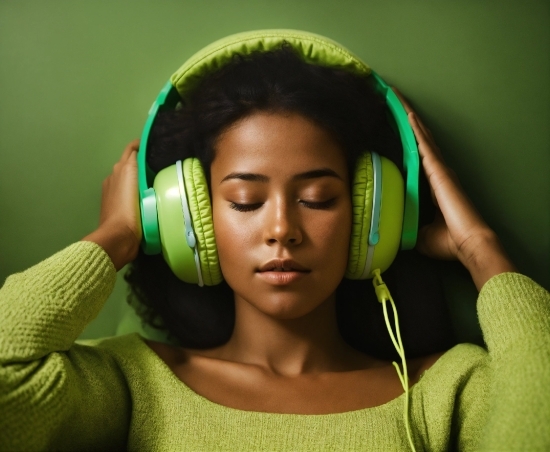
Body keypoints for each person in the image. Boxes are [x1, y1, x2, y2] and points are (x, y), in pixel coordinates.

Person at [1, 34, 549, 452]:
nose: (282, 228)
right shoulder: (134, 382)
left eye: (317, 197)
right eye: (244, 201)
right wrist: (118, 235)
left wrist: (480, 248)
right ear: (187, 218)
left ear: (370, 216)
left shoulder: (443, 391)